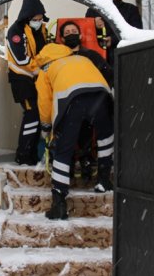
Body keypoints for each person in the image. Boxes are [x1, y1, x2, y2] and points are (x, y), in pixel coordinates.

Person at [35, 43, 115, 220]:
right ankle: (104, 179)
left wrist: (47, 127)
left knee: (64, 148)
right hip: (101, 94)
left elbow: (44, 101)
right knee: (105, 138)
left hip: (72, 99)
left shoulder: (46, 69)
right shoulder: (80, 58)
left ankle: (59, 201)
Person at [6, 0, 49, 166]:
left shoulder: (42, 30)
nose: (38, 22)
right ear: (27, 17)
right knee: (32, 115)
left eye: (40, 19)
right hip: (22, 79)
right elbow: (21, 59)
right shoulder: (16, 31)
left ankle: (30, 155)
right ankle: (23, 155)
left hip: (38, 79)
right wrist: (40, 66)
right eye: (35, 19)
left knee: (39, 116)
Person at [84, 0, 143, 64]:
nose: (114, 1)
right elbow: (85, 32)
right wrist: (92, 23)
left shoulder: (131, 10)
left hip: (123, 54)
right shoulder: (93, 10)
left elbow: (136, 32)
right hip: (98, 55)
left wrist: (114, 39)